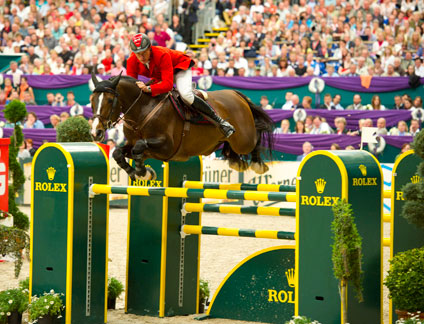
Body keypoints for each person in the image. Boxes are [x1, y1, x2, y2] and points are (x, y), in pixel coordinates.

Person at [126, 33, 235, 138]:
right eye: (138, 54)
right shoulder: (131, 60)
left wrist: (149, 88)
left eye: (144, 52)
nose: (141, 56)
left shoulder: (161, 54)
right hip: (161, 74)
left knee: (186, 95)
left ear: (149, 48)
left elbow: (168, 85)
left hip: (179, 67)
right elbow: (131, 85)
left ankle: (220, 121)